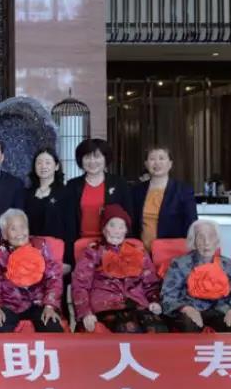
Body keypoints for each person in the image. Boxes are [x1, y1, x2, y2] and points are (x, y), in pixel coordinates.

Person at [71, 205, 166, 333]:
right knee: (128, 329)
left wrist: (154, 301)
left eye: (121, 227)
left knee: (159, 329)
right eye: (112, 226)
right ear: (104, 229)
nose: (117, 231)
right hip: (106, 306)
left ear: (126, 230)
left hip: (138, 304)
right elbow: (80, 285)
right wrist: (85, 312)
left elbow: (151, 283)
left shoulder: (139, 252)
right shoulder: (92, 252)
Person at [161, 219, 231, 332]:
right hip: (190, 309)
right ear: (193, 241)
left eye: (211, 237)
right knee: (187, 324)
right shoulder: (179, 264)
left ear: (217, 240)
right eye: (200, 237)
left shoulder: (229, 265)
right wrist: (186, 308)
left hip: (221, 310)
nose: (206, 242)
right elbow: (168, 295)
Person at [0, 209, 64, 333]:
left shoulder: (40, 246)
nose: (20, 233)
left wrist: (49, 305)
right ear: (4, 234)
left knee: (53, 328)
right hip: (9, 304)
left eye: (23, 227)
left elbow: (54, 278)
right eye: (13, 229)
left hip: (39, 303)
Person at [60, 138, 132, 266]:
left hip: (113, 244)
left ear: (105, 159)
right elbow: (68, 222)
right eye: (87, 157)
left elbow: (129, 217)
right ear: (81, 160)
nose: (92, 161)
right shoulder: (72, 185)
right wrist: (68, 257)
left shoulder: (119, 183)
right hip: (81, 245)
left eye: (97, 157)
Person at [130, 146, 197, 248]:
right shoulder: (136, 191)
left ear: (170, 164)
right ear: (146, 164)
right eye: (152, 159)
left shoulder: (183, 190)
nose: (157, 163)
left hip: (171, 251)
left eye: (161, 158)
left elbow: (191, 224)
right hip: (141, 251)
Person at [23, 147, 66, 239]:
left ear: (56, 166)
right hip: (30, 245)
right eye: (39, 163)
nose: (43, 166)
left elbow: (70, 225)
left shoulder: (65, 193)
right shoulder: (26, 194)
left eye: (48, 162)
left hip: (56, 245)